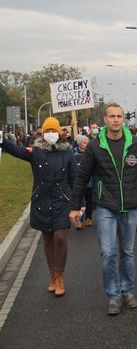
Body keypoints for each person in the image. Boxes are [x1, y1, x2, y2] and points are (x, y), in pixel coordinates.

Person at [68, 103, 137, 316]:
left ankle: (128, 292)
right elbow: (82, 177)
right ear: (105, 120)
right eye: (112, 116)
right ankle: (113, 296)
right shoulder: (95, 146)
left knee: (127, 253)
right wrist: (74, 207)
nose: (116, 119)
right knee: (108, 253)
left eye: (119, 116)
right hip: (106, 207)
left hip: (130, 207)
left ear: (123, 119)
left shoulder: (135, 144)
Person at [0, 117, 76, 296]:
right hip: (41, 202)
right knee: (48, 239)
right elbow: (17, 150)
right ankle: (52, 276)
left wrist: (78, 204)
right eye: (47, 131)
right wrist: (3, 140)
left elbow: (75, 179)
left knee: (60, 237)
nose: (51, 134)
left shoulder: (68, 154)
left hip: (62, 202)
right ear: (42, 133)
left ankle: (60, 276)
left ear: (60, 133)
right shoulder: (35, 152)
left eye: (54, 131)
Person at [73, 134, 94, 229]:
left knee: (89, 202)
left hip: (90, 182)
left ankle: (88, 218)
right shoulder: (74, 154)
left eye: (87, 142)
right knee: (80, 202)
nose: (87, 144)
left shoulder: (91, 153)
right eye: (84, 143)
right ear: (79, 144)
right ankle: (79, 221)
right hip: (80, 183)